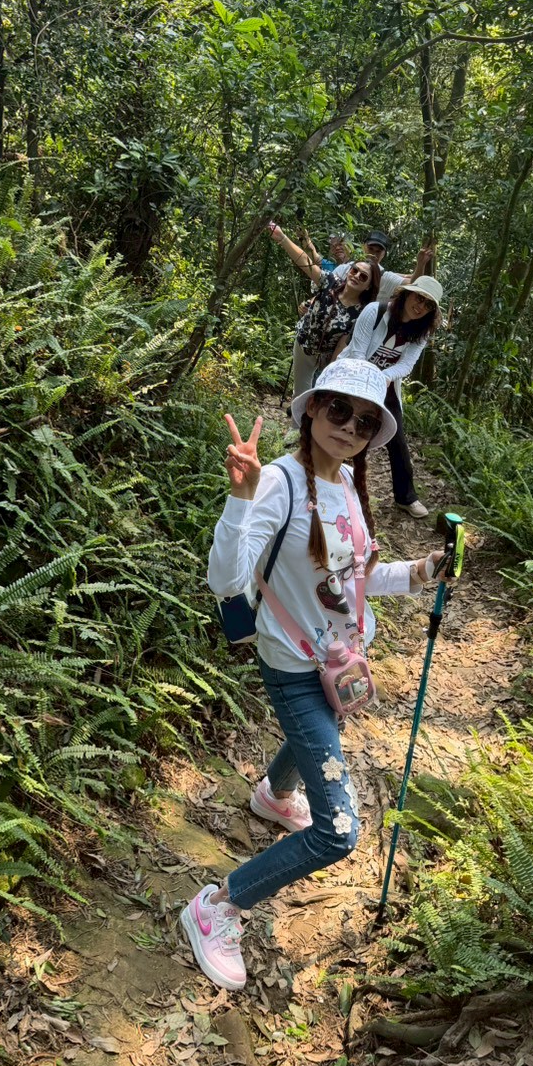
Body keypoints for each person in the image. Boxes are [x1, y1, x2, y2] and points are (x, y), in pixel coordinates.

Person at [187, 358, 452, 991]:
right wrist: (240, 496)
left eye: (366, 422)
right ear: (311, 407)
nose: (350, 427)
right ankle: (217, 905)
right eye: (338, 410)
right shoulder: (279, 483)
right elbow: (225, 580)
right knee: (338, 833)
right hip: (297, 669)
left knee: (320, 734)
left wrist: (419, 572)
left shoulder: (347, 486)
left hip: (341, 662)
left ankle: (274, 795)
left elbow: (353, 579)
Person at [342, 277, 443, 519]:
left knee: (396, 436)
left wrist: (384, 377)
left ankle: (406, 497)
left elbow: (406, 364)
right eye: (418, 298)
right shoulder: (375, 312)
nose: (420, 307)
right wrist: (367, 383)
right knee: (349, 425)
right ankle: (341, 483)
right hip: (353, 375)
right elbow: (357, 351)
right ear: (407, 294)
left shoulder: (421, 332)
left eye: (428, 305)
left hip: (384, 383)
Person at [268, 222, 379, 397]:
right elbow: (305, 262)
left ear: (368, 286)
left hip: (328, 357)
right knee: (300, 394)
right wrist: (282, 237)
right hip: (304, 344)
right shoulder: (331, 282)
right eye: (354, 271)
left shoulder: (361, 312)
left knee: (320, 396)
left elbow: (343, 344)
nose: (357, 276)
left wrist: (330, 372)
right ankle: (297, 415)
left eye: (363, 276)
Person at [332, 231, 432, 304]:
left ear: (384, 254)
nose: (373, 254)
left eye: (378, 251)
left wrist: (421, 264)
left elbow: (413, 284)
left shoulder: (386, 278)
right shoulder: (344, 269)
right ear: (363, 246)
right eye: (370, 248)